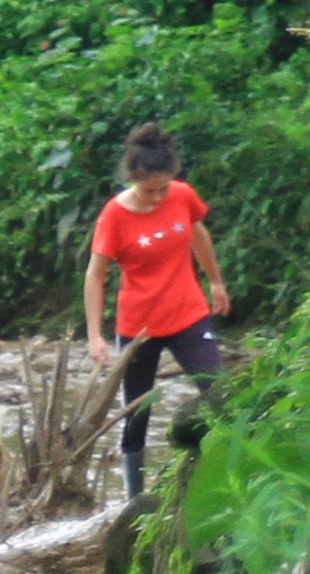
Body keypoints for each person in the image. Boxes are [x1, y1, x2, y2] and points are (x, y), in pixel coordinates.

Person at [83, 121, 239, 502]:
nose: (156, 198)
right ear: (132, 179)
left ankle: (233, 475)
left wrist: (215, 281)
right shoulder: (114, 216)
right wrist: (94, 334)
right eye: (148, 190)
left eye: (163, 189)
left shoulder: (182, 195)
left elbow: (199, 234)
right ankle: (134, 502)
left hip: (188, 314)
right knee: (136, 414)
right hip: (139, 327)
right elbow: (95, 274)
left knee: (219, 393)